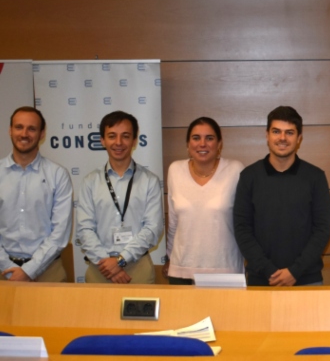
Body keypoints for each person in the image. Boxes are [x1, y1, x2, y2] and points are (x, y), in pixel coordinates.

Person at [233, 106, 330, 286]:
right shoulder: (249, 177)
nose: (282, 138)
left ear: (299, 138)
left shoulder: (315, 177)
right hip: (261, 280)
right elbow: (242, 229)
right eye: (276, 131)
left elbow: (322, 230)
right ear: (267, 135)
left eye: (290, 133)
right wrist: (268, 270)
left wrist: (295, 271)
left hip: (306, 279)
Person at [76, 111, 163, 284]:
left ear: (134, 140)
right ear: (102, 140)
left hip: (138, 269)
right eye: (111, 136)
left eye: (125, 136)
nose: (118, 142)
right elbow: (84, 229)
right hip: (99, 267)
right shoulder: (90, 182)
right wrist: (108, 265)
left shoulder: (150, 181)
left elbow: (153, 228)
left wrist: (121, 260)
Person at [163, 117, 245, 284]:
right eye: (196, 138)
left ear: (219, 144)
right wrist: (170, 258)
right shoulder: (175, 170)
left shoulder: (235, 170)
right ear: (187, 144)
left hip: (225, 269)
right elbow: (173, 222)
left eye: (209, 138)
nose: (202, 144)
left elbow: (244, 224)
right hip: (181, 269)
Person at [0, 107, 73, 282]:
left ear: (42, 134)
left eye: (31, 129)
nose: (24, 134)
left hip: (48, 271)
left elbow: (60, 232)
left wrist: (28, 270)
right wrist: (7, 266)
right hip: (3, 270)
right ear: (10, 130)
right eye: (19, 127)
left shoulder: (58, 175)